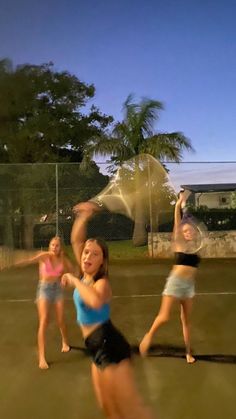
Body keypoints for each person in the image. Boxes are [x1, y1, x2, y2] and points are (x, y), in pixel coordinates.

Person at [61, 201, 156, 419]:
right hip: (95, 348)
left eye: (95, 254)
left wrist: (74, 280)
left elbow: (94, 301)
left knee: (132, 410)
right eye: (86, 252)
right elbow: (76, 239)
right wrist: (84, 216)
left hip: (111, 346)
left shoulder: (101, 283)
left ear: (103, 262)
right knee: (109, 409)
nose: (87, 257)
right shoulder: (85, 274)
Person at [139, 192, 201, 363]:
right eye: (185, 231)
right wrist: (178, 204)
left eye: (190, 231)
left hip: (188, 287)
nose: (188, 233)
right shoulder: (179, 243)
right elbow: (177, 222)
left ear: (194, 234)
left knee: (186, 321)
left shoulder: (195, 248)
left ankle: (188, 352)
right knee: (164, 316)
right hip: (175, 283)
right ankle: (148, 336)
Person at [15, 236, 74, 369]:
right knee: (44, 320)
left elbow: (72, 270)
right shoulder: (44, 256)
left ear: (61, 247)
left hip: (57, 289)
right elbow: (28, 260)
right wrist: (14, 262)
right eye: (52, 245)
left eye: (57, 245)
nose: (54, 247)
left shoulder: (63, 259)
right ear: (49, 246)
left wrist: (66, 277)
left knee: (60, 319)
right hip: (44, 289)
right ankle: (42, 357)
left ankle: (65, 341)